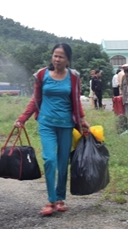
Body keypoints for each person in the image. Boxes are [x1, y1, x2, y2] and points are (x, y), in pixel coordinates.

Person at [14, 43, 90, 216]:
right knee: (49, 160)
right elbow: (36, 99)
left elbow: (76, 100)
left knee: (63, 162)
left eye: (61, 56)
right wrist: (22, 118)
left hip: (66, 125)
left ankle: (60, 198)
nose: (57, 59)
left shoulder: (73, 77)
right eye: (55, 55)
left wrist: (82, 120)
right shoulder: (42, 75)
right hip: (46, 123)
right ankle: (51, 199)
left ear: (68, 59)